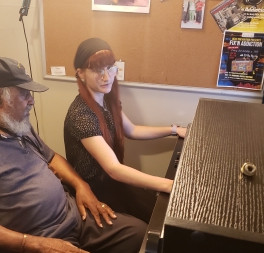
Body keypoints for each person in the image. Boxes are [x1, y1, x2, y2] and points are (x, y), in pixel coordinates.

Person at [0, 56, 147, 253]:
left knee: (140, 236)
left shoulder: (17, 125)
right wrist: (34, 244)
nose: (31, 101)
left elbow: (53, 158)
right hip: (32, 248)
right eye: (24, 94)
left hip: (71, 216)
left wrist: (80, 185)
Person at [63, 38, 187, 223]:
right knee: (153, 221)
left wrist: (174, 130)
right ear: (81, 73)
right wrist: (169, 185)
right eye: (97, 70)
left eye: (110, 67)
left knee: (157, 212)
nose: (106, 77)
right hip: (96, 191)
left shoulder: (107, 100)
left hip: (113, 183)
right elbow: (113, 169)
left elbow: (133, 130)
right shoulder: (82, 115)